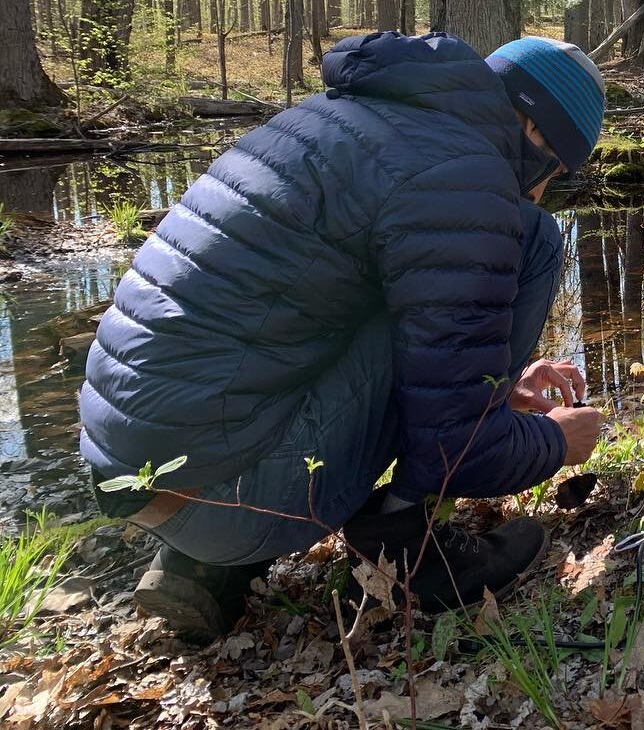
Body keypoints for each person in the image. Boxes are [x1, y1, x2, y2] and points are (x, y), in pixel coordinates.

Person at [78, 31, 608, 642]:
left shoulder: (344, 118)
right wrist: (552, 440)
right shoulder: (467, 173)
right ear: (536, 136)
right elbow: (458, 446)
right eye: (558, 172)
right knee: (535, 236)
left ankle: (200, 566)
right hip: (226, 492)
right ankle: (415, 545)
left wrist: (494, 380)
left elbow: (295, 319)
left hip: (137, 469)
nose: (544, 189)